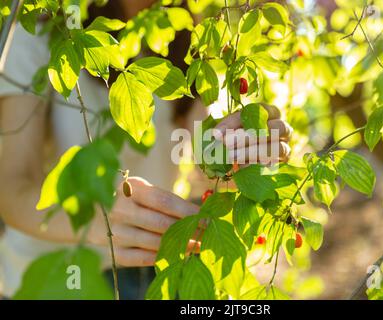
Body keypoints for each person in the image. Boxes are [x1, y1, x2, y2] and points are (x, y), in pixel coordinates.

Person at [0, 0, 292, 299]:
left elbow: (213, 160)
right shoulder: (44, 29)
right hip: (57, 277)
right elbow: (12, 189)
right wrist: (96, 222)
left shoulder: (186, 35)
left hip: (152, 271)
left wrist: (251, 156)